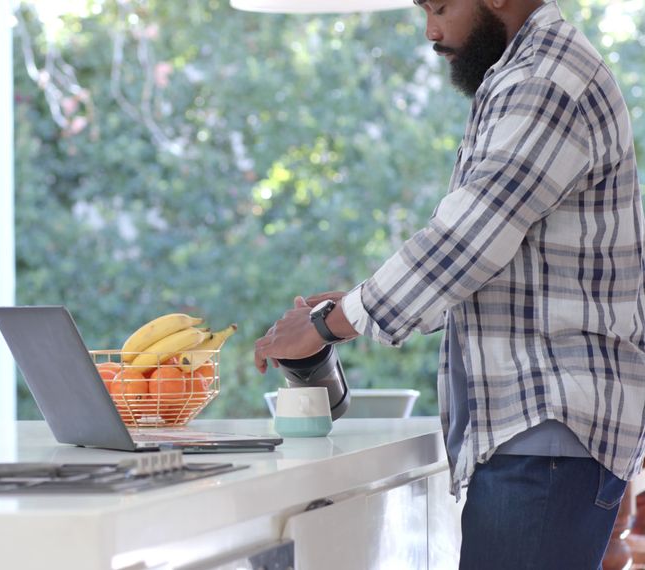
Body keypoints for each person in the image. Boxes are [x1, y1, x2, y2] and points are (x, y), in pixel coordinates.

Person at [252, 0, 645, 568]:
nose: (431, 31)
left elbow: (467, 241)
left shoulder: (545, 81)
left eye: (440, 6)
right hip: (543, 437)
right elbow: (491, 262)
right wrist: (352, 303)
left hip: (546, 434)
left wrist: (328, 325)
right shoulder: (527, 71)